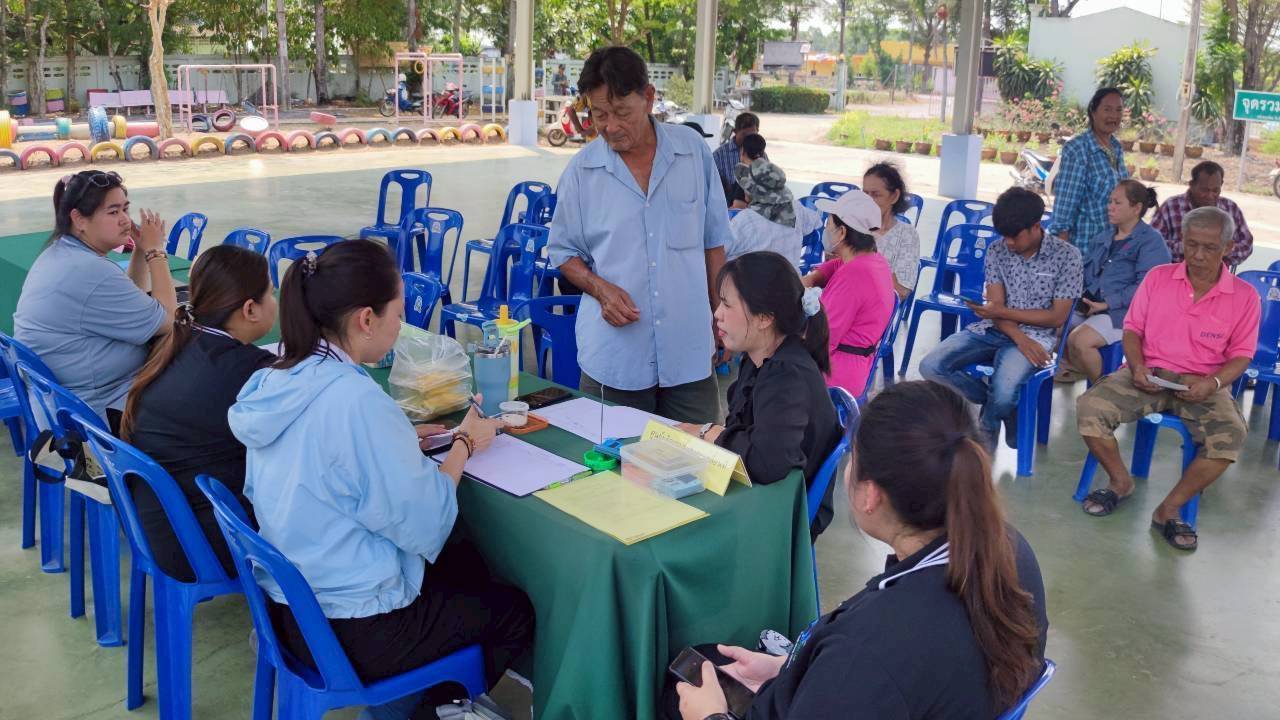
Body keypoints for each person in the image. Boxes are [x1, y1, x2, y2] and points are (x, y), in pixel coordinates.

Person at [227, 240, 533, 711]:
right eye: (398, 313)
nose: (401, 325)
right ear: (365, 319)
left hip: (288, 611)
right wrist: (465, 443)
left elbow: (329, 458)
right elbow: (428, 521)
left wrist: (396, 440)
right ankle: (433, 708)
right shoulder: (356, 400)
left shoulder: (277, 376)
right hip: (352, 628)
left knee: (464, 569)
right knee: (512, 611)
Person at [668, 381, 1048, 720]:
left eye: (853, 458)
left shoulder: (866, 652)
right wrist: (792, 668)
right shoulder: (1009, 548)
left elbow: (871, 666)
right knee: (710, 658)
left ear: (870, 495)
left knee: (677, 692)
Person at [548, 46, 730, 424]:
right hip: (616, 360)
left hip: (689, 352)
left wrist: (720, 313)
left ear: (648, 98)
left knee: (696, 466)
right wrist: (600, 288)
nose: (610, 126)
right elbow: (562, 251)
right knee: (613, 472)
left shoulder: (692, 153)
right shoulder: (582, 172)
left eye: (621, 113)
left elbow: (713, 242)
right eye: (599, 115)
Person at [1077, 206, 1258, 551]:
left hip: (1203, 382)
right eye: (1191, 245)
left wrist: (1214, 384)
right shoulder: (1158, 278)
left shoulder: (1244, 297)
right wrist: (1138, 365)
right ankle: (1120, 482)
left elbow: (1242, 355)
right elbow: (1132, 329)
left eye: (1209, 248)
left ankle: (1169, 508)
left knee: (1231, 435)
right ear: (1181, 243)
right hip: (1149, 373)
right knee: (1090, 408)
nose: (1198, 255)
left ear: (1228, 247)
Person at [119, 245, 277, 581]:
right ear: (250, 309)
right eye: (271, 293)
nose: (275, 302)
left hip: (159, 528)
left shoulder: (178, 342)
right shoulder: (251, 372)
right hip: (198, 544)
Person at [679, 252, 841, 538]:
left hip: (776, 517)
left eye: (727, 304)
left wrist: (709, 432)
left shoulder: (786, 374)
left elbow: (768, 463)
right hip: (763, 497)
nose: (717, 312)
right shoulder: (757, 359)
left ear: (765, 318)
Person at [920, 187, 1082, 449]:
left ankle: (984, 441)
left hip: (1038, 336)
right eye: (1004, 236)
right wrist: (1017, 335)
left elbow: (1056, 317)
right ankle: (1003, 406)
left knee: (1005, 390)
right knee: (931, 366)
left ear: (1036, 227)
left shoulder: (1067, 256)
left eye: (1014, 236)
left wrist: (1005, 317)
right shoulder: (996, 250)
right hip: (994, 329)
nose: (1008, 243)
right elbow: (995, 308)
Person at [14, 170, 177, 428]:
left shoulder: (61, 253)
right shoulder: (90, 271)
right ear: (79, 219)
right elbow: (170, 321)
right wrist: (156, 251)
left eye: (125, 209)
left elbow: (131, 300)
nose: (125, 220)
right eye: (113, 212)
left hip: (65, 404)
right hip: (94, 417)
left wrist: (140, 250)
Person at [1059, 180, 1170, 384]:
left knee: (1080, 340)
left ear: (1136, 208)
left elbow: (1147, 287)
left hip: (1125, 314)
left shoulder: (1152, 242)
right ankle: (1073, 371)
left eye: (1117, 202)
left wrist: (1107, 303)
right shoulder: (1104, 237)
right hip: (1093, 308)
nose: (1110, 207)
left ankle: (1102, 390)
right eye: (1110, 201)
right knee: (1052, 323)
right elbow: (1084, 273)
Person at [802, 190, 897, 400]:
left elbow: (822, 339)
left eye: (829, 224)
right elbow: (837, 264)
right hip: (857, 364)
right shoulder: (872, 260)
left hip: (836, 375)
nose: (826, 229)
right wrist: (813, 278)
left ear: (842, 233)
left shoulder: (854, 276)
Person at [1047, 87, 1129, 253]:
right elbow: (1065, 205)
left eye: (1118, 110)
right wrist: (1064, 257)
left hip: (1110, 248)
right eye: (1107, 109)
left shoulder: (1116, 147)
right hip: (1084, 249)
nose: (1113, 116)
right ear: (1093, 111)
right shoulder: (1078, 149)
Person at [726, 143, 823, 268]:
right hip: (791, 283)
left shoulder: (745, 220)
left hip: (751, 285)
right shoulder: (797, 209)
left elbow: (721, 251)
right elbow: (817, 223)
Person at [1151, 160, 1254, 268]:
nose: (1210, 195)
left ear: (1221, 185)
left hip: (1218, 277)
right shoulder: (1170, 206)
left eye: (1215, 190)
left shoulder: (1230, 208)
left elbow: (1247, 244)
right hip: (1176, 274)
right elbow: (1153, 244)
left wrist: (1219, 251)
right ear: (1191, 185)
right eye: (1204, 190)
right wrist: (1187, 248)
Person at [862, 162, 921, 298]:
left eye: (876, 195)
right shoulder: (853, 227)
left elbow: (901, 292)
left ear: (894, 196)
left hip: (878, 308)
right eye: (865, 194)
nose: (868, 201)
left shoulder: (907, 235)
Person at [713, 112, 761, 206]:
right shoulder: (718, 156)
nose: (749, 139)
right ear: (735, 132)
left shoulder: (761, 153)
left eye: (753, 135)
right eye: (744, 135)